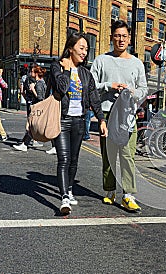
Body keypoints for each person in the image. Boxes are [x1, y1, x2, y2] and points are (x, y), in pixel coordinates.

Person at [91, 20, 147, 212]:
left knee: (127, 155)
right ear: (111, 38)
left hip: (127, 115)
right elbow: (91, 86)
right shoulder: (101, 60)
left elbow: (144, 89)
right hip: (107, 113)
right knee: (108, 155)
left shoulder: (137, 63)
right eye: (117, 35)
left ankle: (128, 194)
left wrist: (133, 92)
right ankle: (110, 190)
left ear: (129, 39)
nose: (120, 39)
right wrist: (109, 85)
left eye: (124, 36)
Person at [50, 32, 108, 214]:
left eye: (86, 49)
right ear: (70, 48)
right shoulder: (57, 67)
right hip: (61, 119)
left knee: (74, 160)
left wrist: (101, 119)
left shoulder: (86, 73)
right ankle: (64, 197)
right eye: (81, 48)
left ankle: (69, 189)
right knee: (64, 159)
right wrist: (66, 69)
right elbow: (61, 87)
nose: (84, 53)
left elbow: (94, 98)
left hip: (79, 121)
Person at [14, 64, 47, 151]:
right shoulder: (38, 82)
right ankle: (24, 144)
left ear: (36, 73)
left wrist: (33, 89)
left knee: (36, 127)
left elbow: (40, 98)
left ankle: (55, 146)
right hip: (36, 107)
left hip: (37, 108)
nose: (30, 73)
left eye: (32, 71)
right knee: (32, 127)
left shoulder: (39, 83)